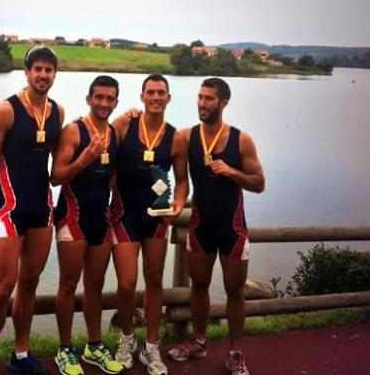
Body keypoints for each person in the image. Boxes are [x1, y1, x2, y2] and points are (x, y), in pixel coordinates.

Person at [0, 46, 64, 375]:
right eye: (37, 69)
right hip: (8, 209)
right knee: (2, 287)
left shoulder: (57, 113)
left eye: (48, 70)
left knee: (30, 282)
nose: (42, 75)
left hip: (42, 208)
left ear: (55, 74)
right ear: (26, 72)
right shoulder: (5, 111)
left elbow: (58, 161)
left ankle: (20, 353)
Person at [167, 77, 265, 375]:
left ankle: (235, 353)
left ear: (223, 102)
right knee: (198, 285)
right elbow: (181, 181)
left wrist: (232, 171)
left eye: (209, 99)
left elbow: (259, 184)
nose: (202, 103)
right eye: (200, 97)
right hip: (201, 225)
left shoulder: (241, 140)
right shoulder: (186, 137)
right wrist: (177, 202)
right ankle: (198, 342)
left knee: (234, 291)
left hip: (232, 227)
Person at [110, 74, 189, 375]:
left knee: (154, 281)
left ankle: (151, 347)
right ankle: (127, 338)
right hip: (124, 216)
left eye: (161, 93)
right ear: (141, 97)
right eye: (150, 92)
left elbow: (182, 182)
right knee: (127, 283)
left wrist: (179, 204)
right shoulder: (123, 125)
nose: (156, 97)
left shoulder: (176, 137)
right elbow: (104, 157)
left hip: (156, 219)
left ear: (168, 98)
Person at [50, 75, 124, 375]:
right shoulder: (73, 131)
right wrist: (85, 158)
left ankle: (94, 346)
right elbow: (56, 176)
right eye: (99, 97)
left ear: (116, 102)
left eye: (110, 99)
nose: (104, 103)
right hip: (73, 216)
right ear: (89, 99)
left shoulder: (116, 133)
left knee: (95, 284)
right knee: (68, 284)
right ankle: (65, 350)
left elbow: (115, 175)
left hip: (101, 219)